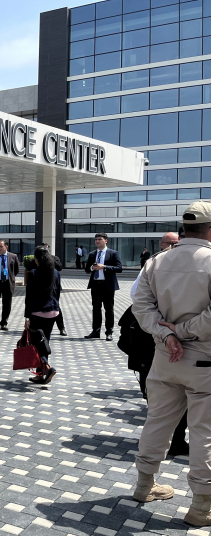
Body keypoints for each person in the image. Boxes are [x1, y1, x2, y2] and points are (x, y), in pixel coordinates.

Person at [131, 202, 211, 526]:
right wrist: (181, 331)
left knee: (157, 422)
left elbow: (140, 305)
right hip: (204, 361)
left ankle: (144, 484)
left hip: (165, 357)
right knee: (205, 432)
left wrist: (166, 336)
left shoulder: (157, 261)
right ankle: (202, 506)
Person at [127, 232, 188, 457]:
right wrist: (170, 332)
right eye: (170, 243)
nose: (173, 247)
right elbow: (137, 299)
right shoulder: (155, 263)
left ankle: (147, 476)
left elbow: (139, 301)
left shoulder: (157, 263)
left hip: (168, 342)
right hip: (165, 345)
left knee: (163, 409)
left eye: (176, 243)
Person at [23, 246, 61, 385]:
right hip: (53, 311)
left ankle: (48, 368)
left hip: (38, 312)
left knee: (36, 344)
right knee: (44, 342)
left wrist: (27, 317)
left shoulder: (33, 273)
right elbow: (58, 292)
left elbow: (30, 297)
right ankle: (39, 375)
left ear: (37, 259)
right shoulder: (56, 272)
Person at [84, 233, 123, 340]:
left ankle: (109, 332)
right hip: (95, 285)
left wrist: (104, 267)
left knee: (109, 309)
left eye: (100, 239)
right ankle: (95, 332)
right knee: (96, 309)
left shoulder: (113, 253)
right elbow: (87, 269)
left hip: (108, 285)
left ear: (106, 241)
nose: (97, 241)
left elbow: (119, 268)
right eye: (96, 239)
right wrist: (92, 268)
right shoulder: (92, 254)